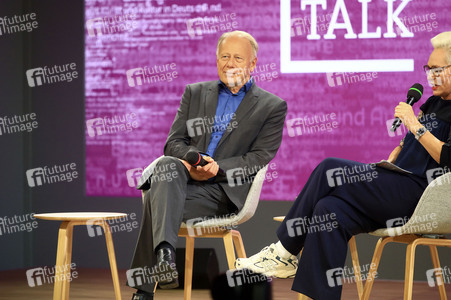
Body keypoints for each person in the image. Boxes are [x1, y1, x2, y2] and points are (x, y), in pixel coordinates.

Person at [235, 31, 451, 300]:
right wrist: (398, 150)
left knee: (329, 168)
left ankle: (284, 251)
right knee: (329, 211)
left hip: (419, 196)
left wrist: (415, 125)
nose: (430, 75)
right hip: (395, 183)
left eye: (438, 69)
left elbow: (447, 157)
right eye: (428, 68)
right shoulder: (431, 103)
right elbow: (413, 146)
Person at [128, 30, 287, 300]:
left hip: (221, 191)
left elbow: (259, 157)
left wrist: (215, 169)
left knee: (158, 198)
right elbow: (173, 143)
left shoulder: (271, 106)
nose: (230, 63)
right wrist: (195, 160)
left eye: (238, 57)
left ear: (253, 64)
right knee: (168, 164)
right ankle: (165, 257)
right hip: (183, 177)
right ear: (216, 60)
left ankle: (145, 290)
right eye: (224, 56)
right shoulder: (195, 92)